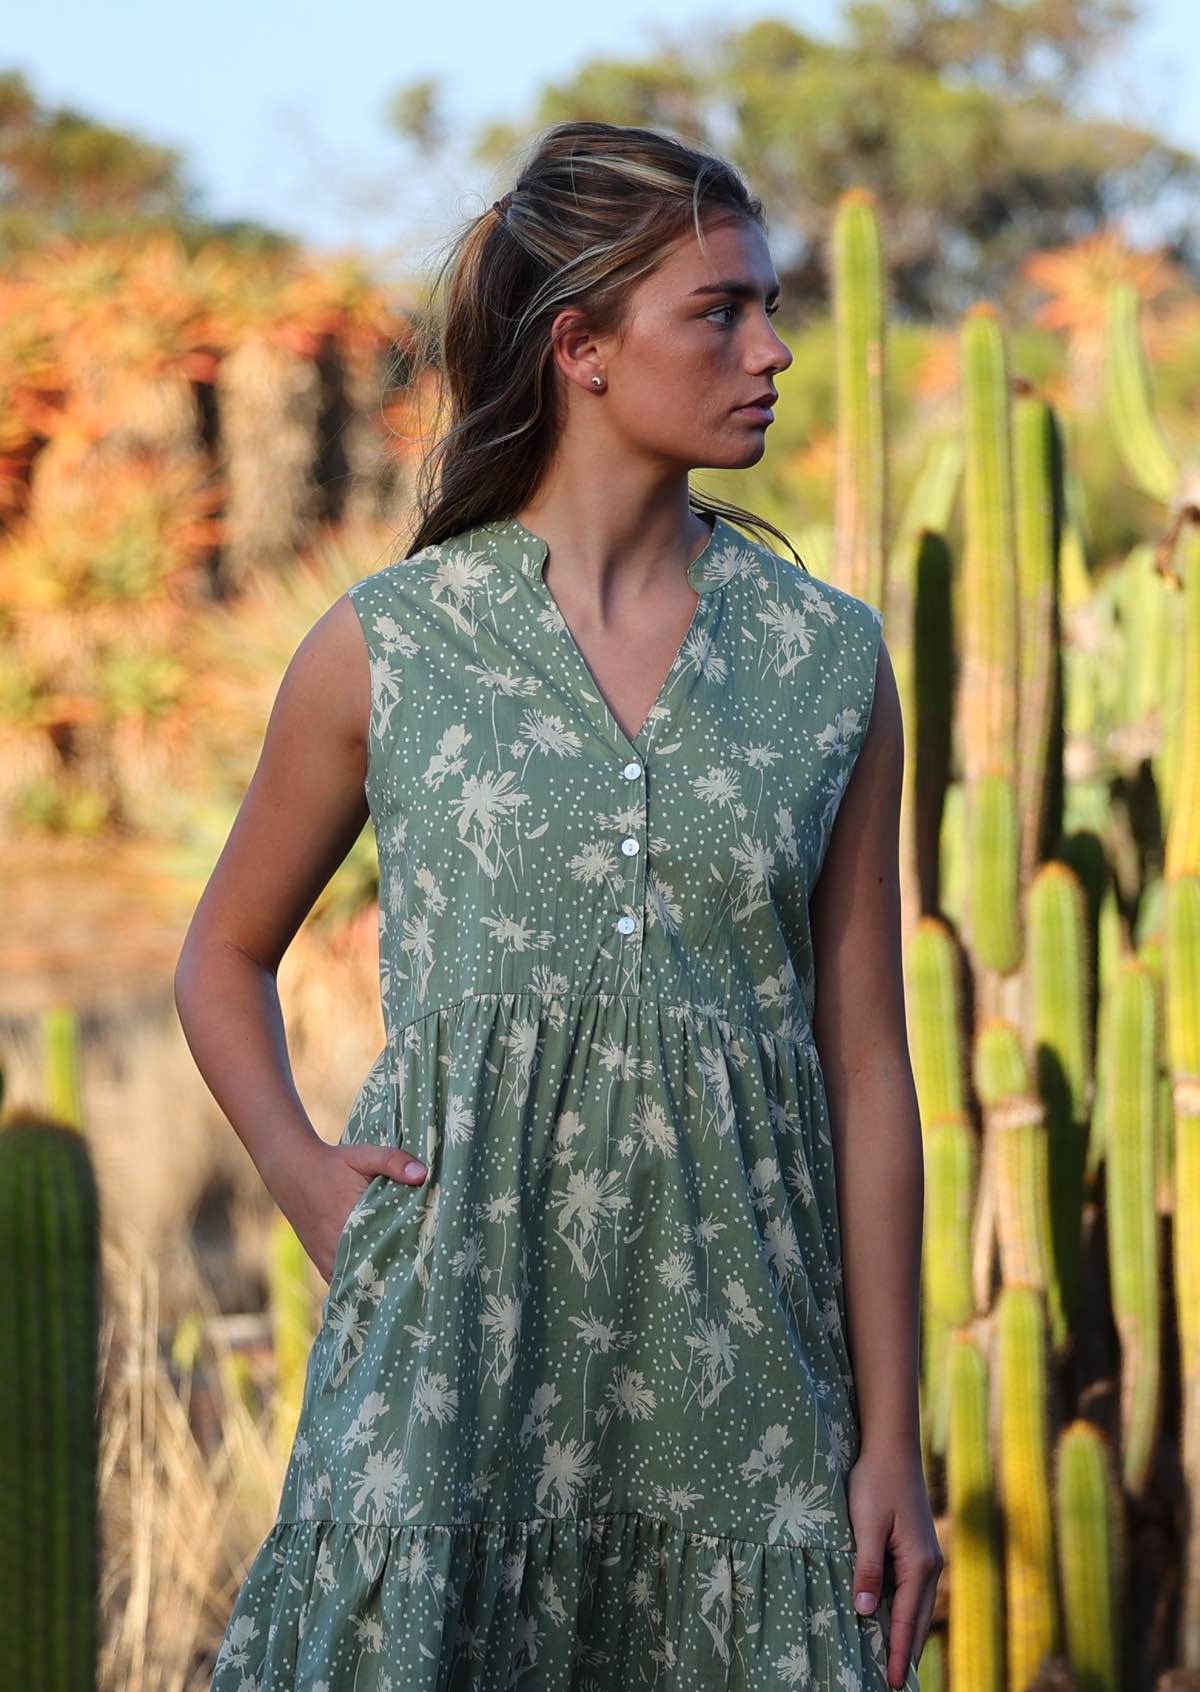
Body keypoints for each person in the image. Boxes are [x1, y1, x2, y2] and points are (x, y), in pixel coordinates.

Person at [179, 119, 941, 1691]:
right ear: (582, 347)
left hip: (751, 1383)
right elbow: (222, 957)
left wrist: (893, 1445)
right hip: (453, 1365)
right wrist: (306, 1178)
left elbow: (868, 1069)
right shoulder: (391, 649)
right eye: (718, 311)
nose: (774, 350)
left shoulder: (829, 662)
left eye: (770, 303)